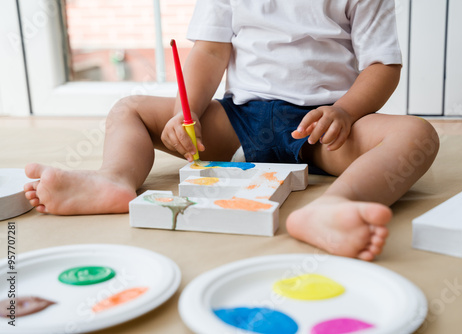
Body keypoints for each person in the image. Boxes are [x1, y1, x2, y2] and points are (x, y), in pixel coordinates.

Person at [24, 0, 439, 261]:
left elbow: (382, 66)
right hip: (239, 121)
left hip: (320, 130)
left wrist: (346, 111)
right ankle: (115, 178)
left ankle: (334, 205)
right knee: (129, 108)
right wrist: (183, 116)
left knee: (417, 135)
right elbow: (209, 50)